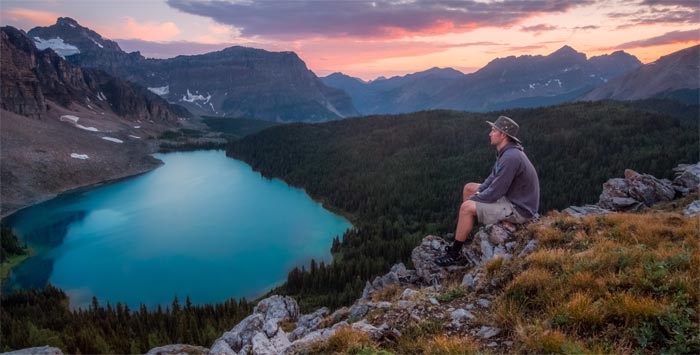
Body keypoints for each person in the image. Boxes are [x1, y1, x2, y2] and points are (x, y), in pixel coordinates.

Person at [434, 115, 540, 266]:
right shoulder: (506, 152)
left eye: (493, 130)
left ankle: (454, 253)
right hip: (512, 198)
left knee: (466, 207)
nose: (490, 134)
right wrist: (477, 193)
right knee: (469, 188)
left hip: (519, 209)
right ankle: (466, 233)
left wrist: (475, 200)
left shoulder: (511, 157)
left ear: (503, 134)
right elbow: (492, 178)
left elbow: (495, 192)